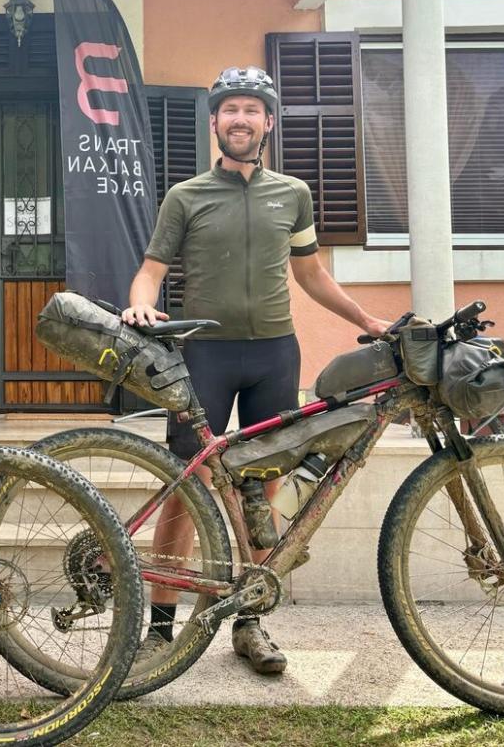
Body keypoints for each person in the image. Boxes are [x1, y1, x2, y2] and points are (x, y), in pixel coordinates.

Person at [121, 66, 388, 675]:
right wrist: (140, 300)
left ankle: (250, 622)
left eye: (251, 108)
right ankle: (161, 631)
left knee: (261, 489)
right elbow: (152, 268)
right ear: (214, 122)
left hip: (273, 352)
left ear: (268, 121)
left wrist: (368, 320)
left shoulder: (292, 193)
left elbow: (311, 274)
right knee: (184, 488)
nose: (239, 118)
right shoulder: (185, 196)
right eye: (229, 109)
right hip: (206, 355)